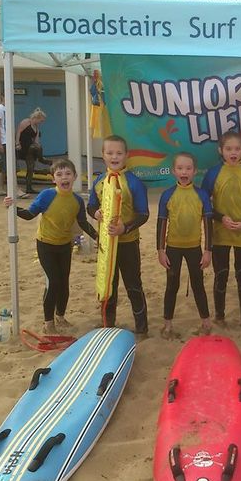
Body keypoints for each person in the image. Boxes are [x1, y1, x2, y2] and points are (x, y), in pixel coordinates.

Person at [3, 158, 97, 334]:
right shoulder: (47, 195)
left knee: (64, 283)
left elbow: (83, 223)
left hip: (64, 245)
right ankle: (48, 322)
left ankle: (60, 317)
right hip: (45, 244)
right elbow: (30, 214)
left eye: (68, 173)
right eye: (59, 174)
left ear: (75, 176)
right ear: (53, 179)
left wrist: (97, 236)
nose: (64, 177)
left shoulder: (77, 201)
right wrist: (13, 208)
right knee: (54, 282)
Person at [87, 135, 149, 337]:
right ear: (103, 155)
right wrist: (95, 213)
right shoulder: (99, 181)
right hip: (106, 245)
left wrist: (126, 228)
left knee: (133, 285)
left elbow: (144, 213)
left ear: (127, 155)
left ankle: (142, 327)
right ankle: (108, 324)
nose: (115, 157)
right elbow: (91, 205)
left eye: (119, 153)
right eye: (110, 153)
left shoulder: (134, 182)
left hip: (128, 244)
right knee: (108, 285)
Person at [201, 132, 241, 329]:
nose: (233, 153)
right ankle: (219, 315)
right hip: (220, 233)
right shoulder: (213, 173)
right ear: (221, 151)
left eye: (237, 149)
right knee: (221, 275)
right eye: (228, 149)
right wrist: (221, 217)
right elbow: (204, 203)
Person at [157, 152, 213, 339]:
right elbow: (162, 223)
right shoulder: (167, 195)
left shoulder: (201, 195)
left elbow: (208, 224)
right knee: (172, 285)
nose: (184, 172)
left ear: (195, 171)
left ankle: (206, 322)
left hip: (194, 248)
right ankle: (167, 325)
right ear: (173, 171)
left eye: (188, 168)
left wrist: (207, 251)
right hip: (173, 247)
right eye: (180, 168)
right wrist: (160, 250)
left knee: (198, 285)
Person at [0, 93, 27, 199]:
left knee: (4, 165)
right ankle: (15, 189)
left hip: (8, 141)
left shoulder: (8, 109)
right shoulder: (0, 109)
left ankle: (0, 188)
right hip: (4, 141)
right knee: (10, 165)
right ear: (2, 97)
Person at [16, 107, 52, 194]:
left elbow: (36, 141)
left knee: (30, 168)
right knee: (36, 147)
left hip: (31, 149)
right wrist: (17, 143)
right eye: (41, 121)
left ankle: (29, 188)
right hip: (23, 146)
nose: (41, 122)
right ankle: (42, 159)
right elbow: (18, 132)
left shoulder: (36, 127)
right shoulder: (26, 122)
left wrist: (38, 147)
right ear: (37, 118)